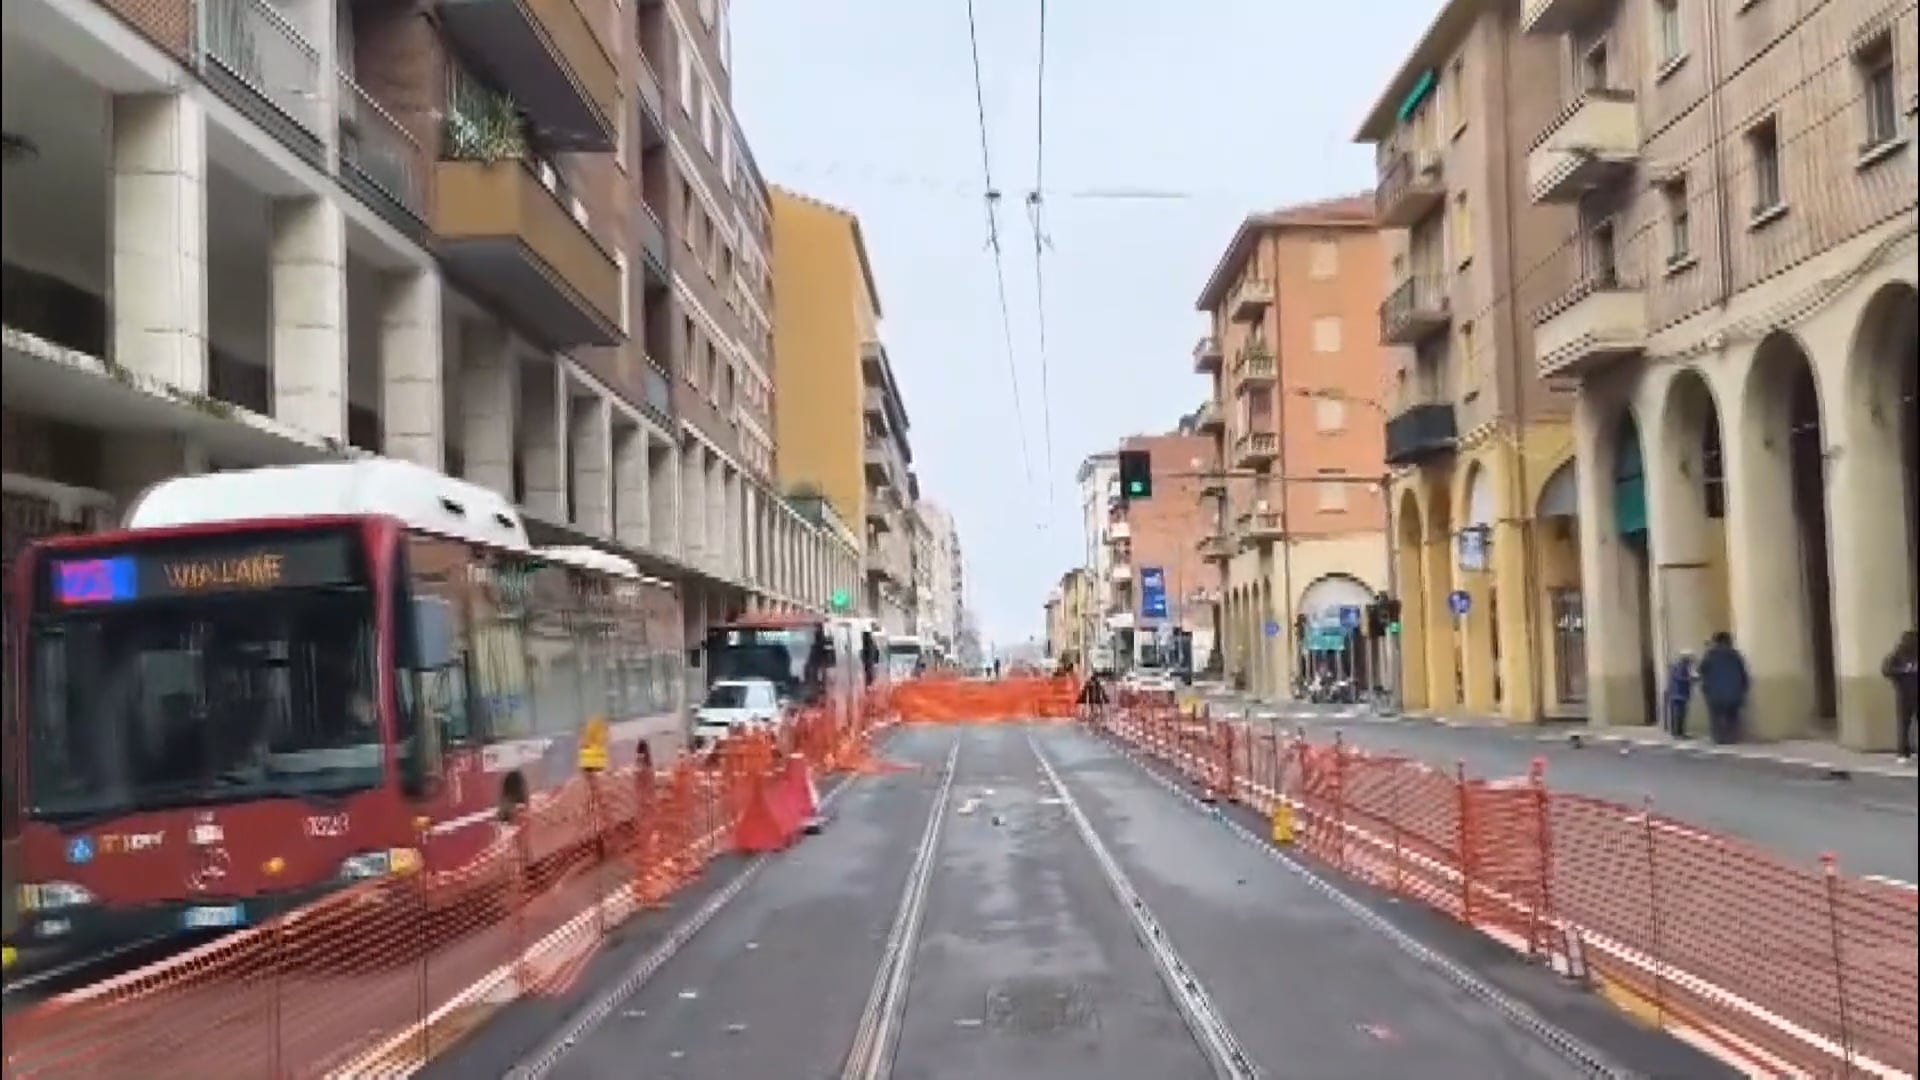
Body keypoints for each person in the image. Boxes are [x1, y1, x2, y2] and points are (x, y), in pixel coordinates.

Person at [1696, 632, 1749, 745]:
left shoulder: (1710, 655)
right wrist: (1743, 690)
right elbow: (1743, 675)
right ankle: (1731, 738)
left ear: (1716, 642)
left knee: (1716, 717)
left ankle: (1719, 738)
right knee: (1732, 716)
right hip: (1735, 694)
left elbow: (1700, 670)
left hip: (1715, 694)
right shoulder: (1736, 655)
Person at [1882, 630, 1917, 764]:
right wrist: (1902, 672)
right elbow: (1886, 669)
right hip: (1905, 694)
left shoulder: (1899, 654)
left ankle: (1904, 752)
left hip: (1905, 694)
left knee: (1904, 724)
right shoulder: (1898, 655)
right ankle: (1903, 752)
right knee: (1904, 724)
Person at [1664, 650, 1695, 738]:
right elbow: (1681, 678)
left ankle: (1678, 732)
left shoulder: (1677, 665)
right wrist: (1691, 679)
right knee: (1679, 715)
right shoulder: (1681, 666)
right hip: (1679, 694)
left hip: (1677, 693)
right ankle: (1678, 733)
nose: (1691, 661)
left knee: (1679, 714)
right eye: (1690, 659)